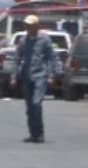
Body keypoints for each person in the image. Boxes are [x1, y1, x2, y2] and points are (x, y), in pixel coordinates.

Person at [12, 15, 59, 143]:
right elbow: (17, 59)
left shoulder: (45, 39)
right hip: (27, 77)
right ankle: (33, 134)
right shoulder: (23, 40)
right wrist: (13, 76)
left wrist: (51, 75)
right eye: (27, 25)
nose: (28, 28)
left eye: (31, 25)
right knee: (29, 108)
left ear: (36, 26)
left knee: (36, 104)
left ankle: (40, 134)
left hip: (40, 76)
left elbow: (52, 58)